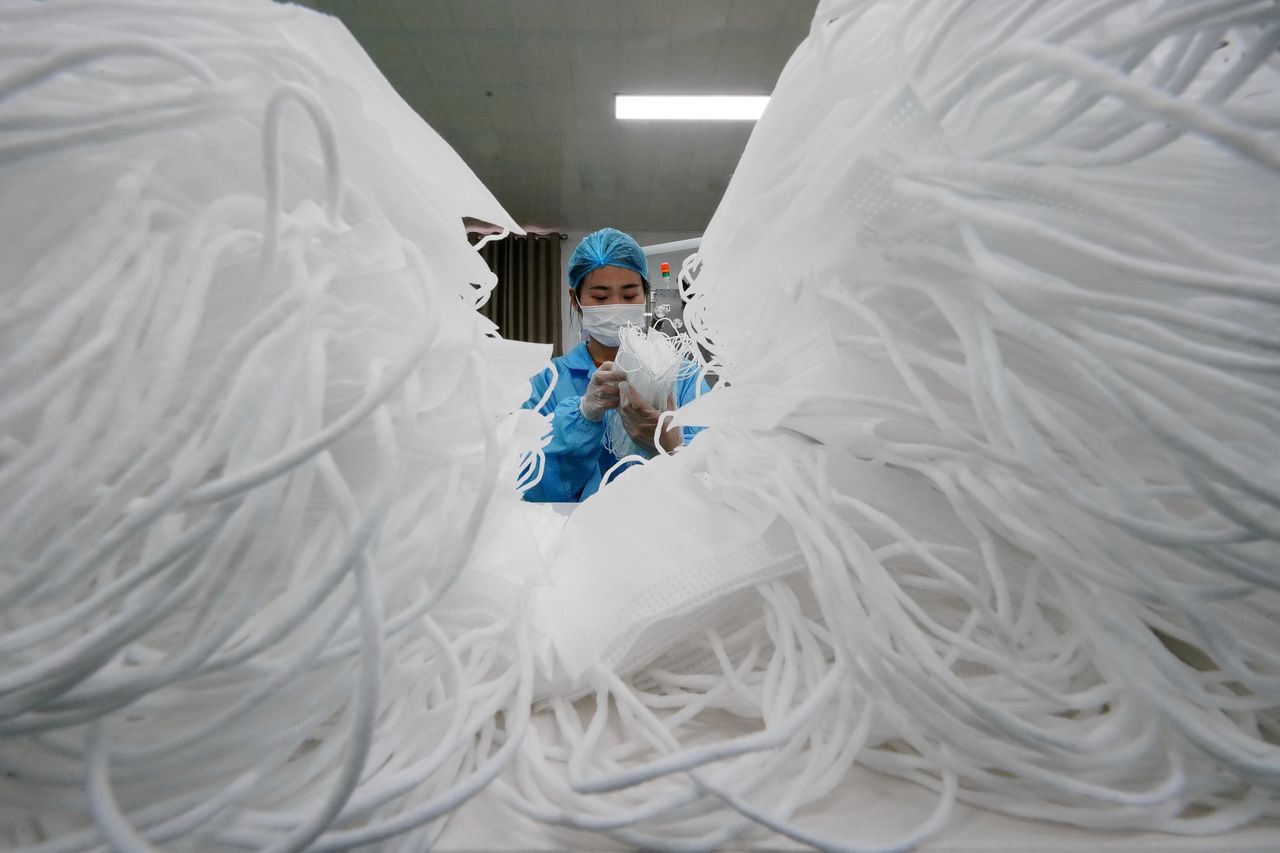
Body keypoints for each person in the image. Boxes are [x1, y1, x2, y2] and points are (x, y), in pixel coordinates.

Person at [522, 228, 707, 503]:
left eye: (630, 295)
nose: (616, 305)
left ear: (645, 294)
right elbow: (532, 488)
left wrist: (670, 447)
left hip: (665, 536)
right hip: (576, 538)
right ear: (575, 300)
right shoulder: (547, 382)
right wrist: (582, 417)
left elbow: (715, 482)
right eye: (600, 297)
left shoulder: (684, 377)